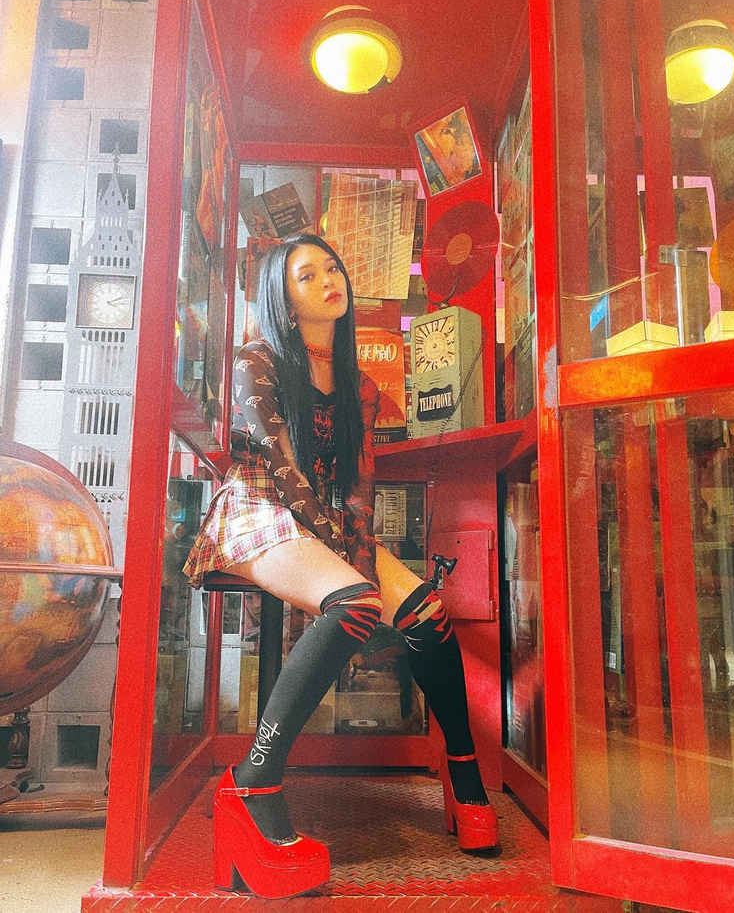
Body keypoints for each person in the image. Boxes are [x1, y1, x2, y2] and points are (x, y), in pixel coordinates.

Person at [183, 233, 498, 899]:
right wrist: (350, 569)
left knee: (427, 612)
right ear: (281, 296)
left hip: (325, 518)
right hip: (257, 507)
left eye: (332, 267)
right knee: (356, 602)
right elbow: (283, 470)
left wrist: (357, 551)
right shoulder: (256, 362)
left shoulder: (360, 385)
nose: (329, 279)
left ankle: (463, 770)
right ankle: (253, 784)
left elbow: (356, 489)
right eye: (307, 274)